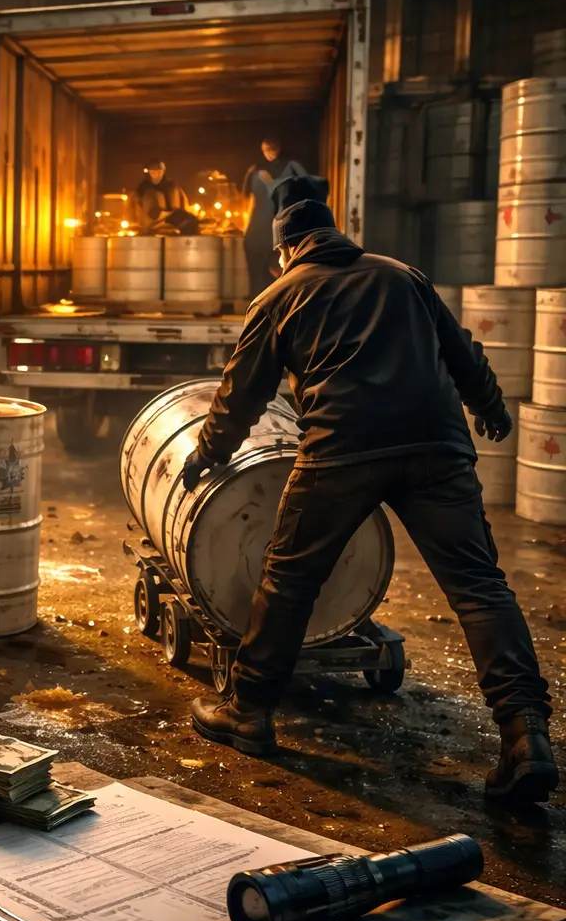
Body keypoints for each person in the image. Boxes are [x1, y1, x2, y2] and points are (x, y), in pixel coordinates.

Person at [181, 175, 556, 803]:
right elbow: (460, 351)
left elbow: (241, 392)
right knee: (479, 586)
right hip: (437, 447)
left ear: (287, 247)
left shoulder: (278, 296)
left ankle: (247, 712)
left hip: (343, 449)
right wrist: (490, 406)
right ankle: (525, 735)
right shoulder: (402, 275)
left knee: (291, 576)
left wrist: (208, 453)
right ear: (333, 233)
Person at [240, 136, 306, 296]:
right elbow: (248, 199)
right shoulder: (254, 170)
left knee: (280, 264)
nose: (269, 154)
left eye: (271, 150)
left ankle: (280, 296)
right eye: (265, 150)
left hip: (282, 224)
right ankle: (256, 297)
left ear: (278, 149)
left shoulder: (291, 167)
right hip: (259, 225)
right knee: (256, 263)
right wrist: (245, 225)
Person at [130, 159, 198, 235]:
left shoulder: (173, 187)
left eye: (158, 172)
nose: (156, 175)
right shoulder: (143, 190)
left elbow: (184, 203)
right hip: (152, 228)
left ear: (163, 171)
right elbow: (136, 210)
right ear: (148, 172)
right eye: (153, 172)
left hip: (174, 227)